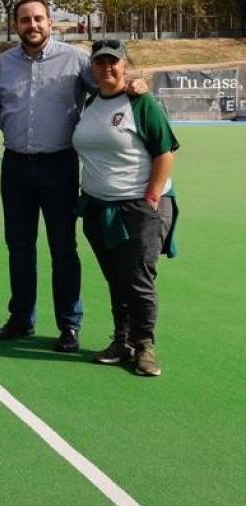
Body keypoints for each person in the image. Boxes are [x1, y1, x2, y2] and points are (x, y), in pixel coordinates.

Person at [0, 0, 101, 351]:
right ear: (15, 25)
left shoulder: (77, 60)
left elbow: (104, 92)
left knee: (63, 249)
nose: (32, 25)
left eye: (38, 18)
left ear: (50, 22)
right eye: (25, 20)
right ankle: (22, 317)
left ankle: (69, 324)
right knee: (19, 248)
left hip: (60, 166)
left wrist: (135, 85)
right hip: (16, 166)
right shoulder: (2, 64)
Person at [72, 40, 178, 377]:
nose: (107, 68)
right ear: (92, 68)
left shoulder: (142, 103)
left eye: (113, 62)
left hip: (138, 207)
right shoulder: (90, 104)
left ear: (125, 66)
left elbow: (165, 152)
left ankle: (144, 345)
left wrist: (151, 197)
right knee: (116, 278)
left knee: (138, 280)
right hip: (97, 206)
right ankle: (123, 340)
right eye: (100, 63)